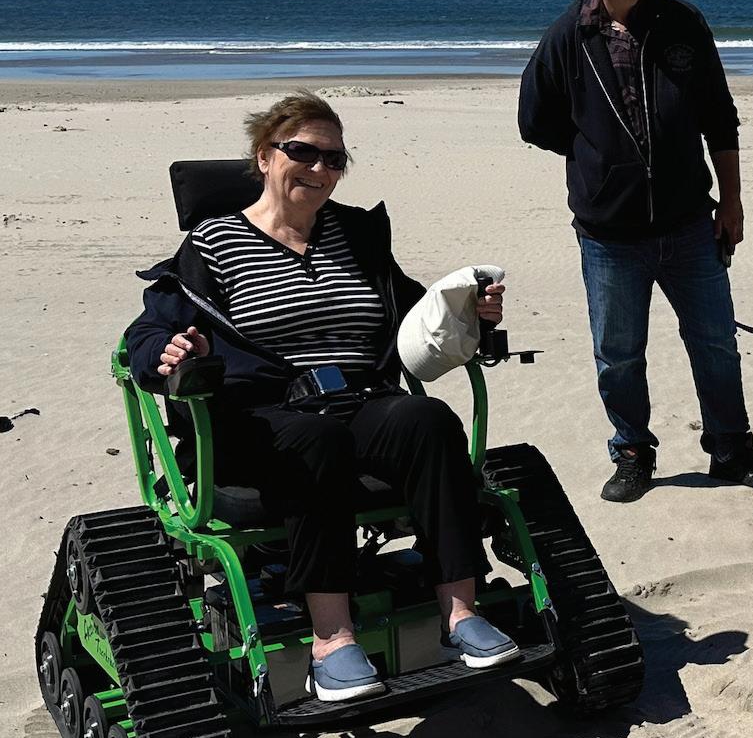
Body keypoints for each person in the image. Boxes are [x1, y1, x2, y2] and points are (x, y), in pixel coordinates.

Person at [126, 92, 519, 702]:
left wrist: (473, 311)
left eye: (334, 159)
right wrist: (169, 352)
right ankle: (331, 641)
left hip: (360, 400)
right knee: (317, 439)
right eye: (303, 152)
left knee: (427, 419)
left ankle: (460, 613)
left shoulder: (355, 235)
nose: (320, 168)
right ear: (264, 156)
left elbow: (418, 311)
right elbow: (148, 331)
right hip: (259, 418)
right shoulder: (212, 243)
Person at [518, 0, 753, 502]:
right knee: (618, 354)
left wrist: (732, 202)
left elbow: (719, 116)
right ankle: (633, 453)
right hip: (608, 235)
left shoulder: (683, 22)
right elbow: (533, 121)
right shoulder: (568, 34)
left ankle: (731, 449)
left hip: (689, 222)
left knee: (716, 344)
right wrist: (595, 155)